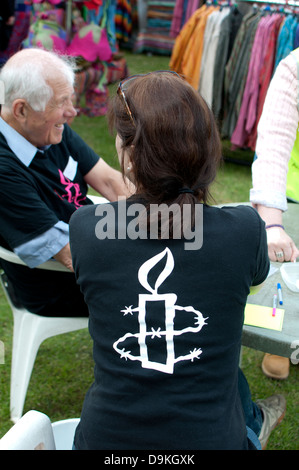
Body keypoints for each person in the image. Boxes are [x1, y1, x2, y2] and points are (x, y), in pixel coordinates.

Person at [69, 71, 285, 450]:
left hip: (106, 441)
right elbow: (254, 277)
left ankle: (253, 421)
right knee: (229, 388)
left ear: (130, 155)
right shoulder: (245, 230)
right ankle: (255, 423)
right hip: (212, 440)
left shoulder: (88, 228)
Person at [0, 48, 131, 317]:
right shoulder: (3, 170)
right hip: (58, 286)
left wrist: (162, 218)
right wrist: (150, 245)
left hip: (92, 241)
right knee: (185, 280)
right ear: (21, 109)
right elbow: (70, 252)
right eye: (61, 103)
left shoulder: (44, 128)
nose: (72, 112)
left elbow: (109, 181)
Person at [250, 47, 299, 379]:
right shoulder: (295, 66)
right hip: (292, 193)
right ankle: (278, 339)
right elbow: (273, 142)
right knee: (283, 278)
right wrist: (271, 223)